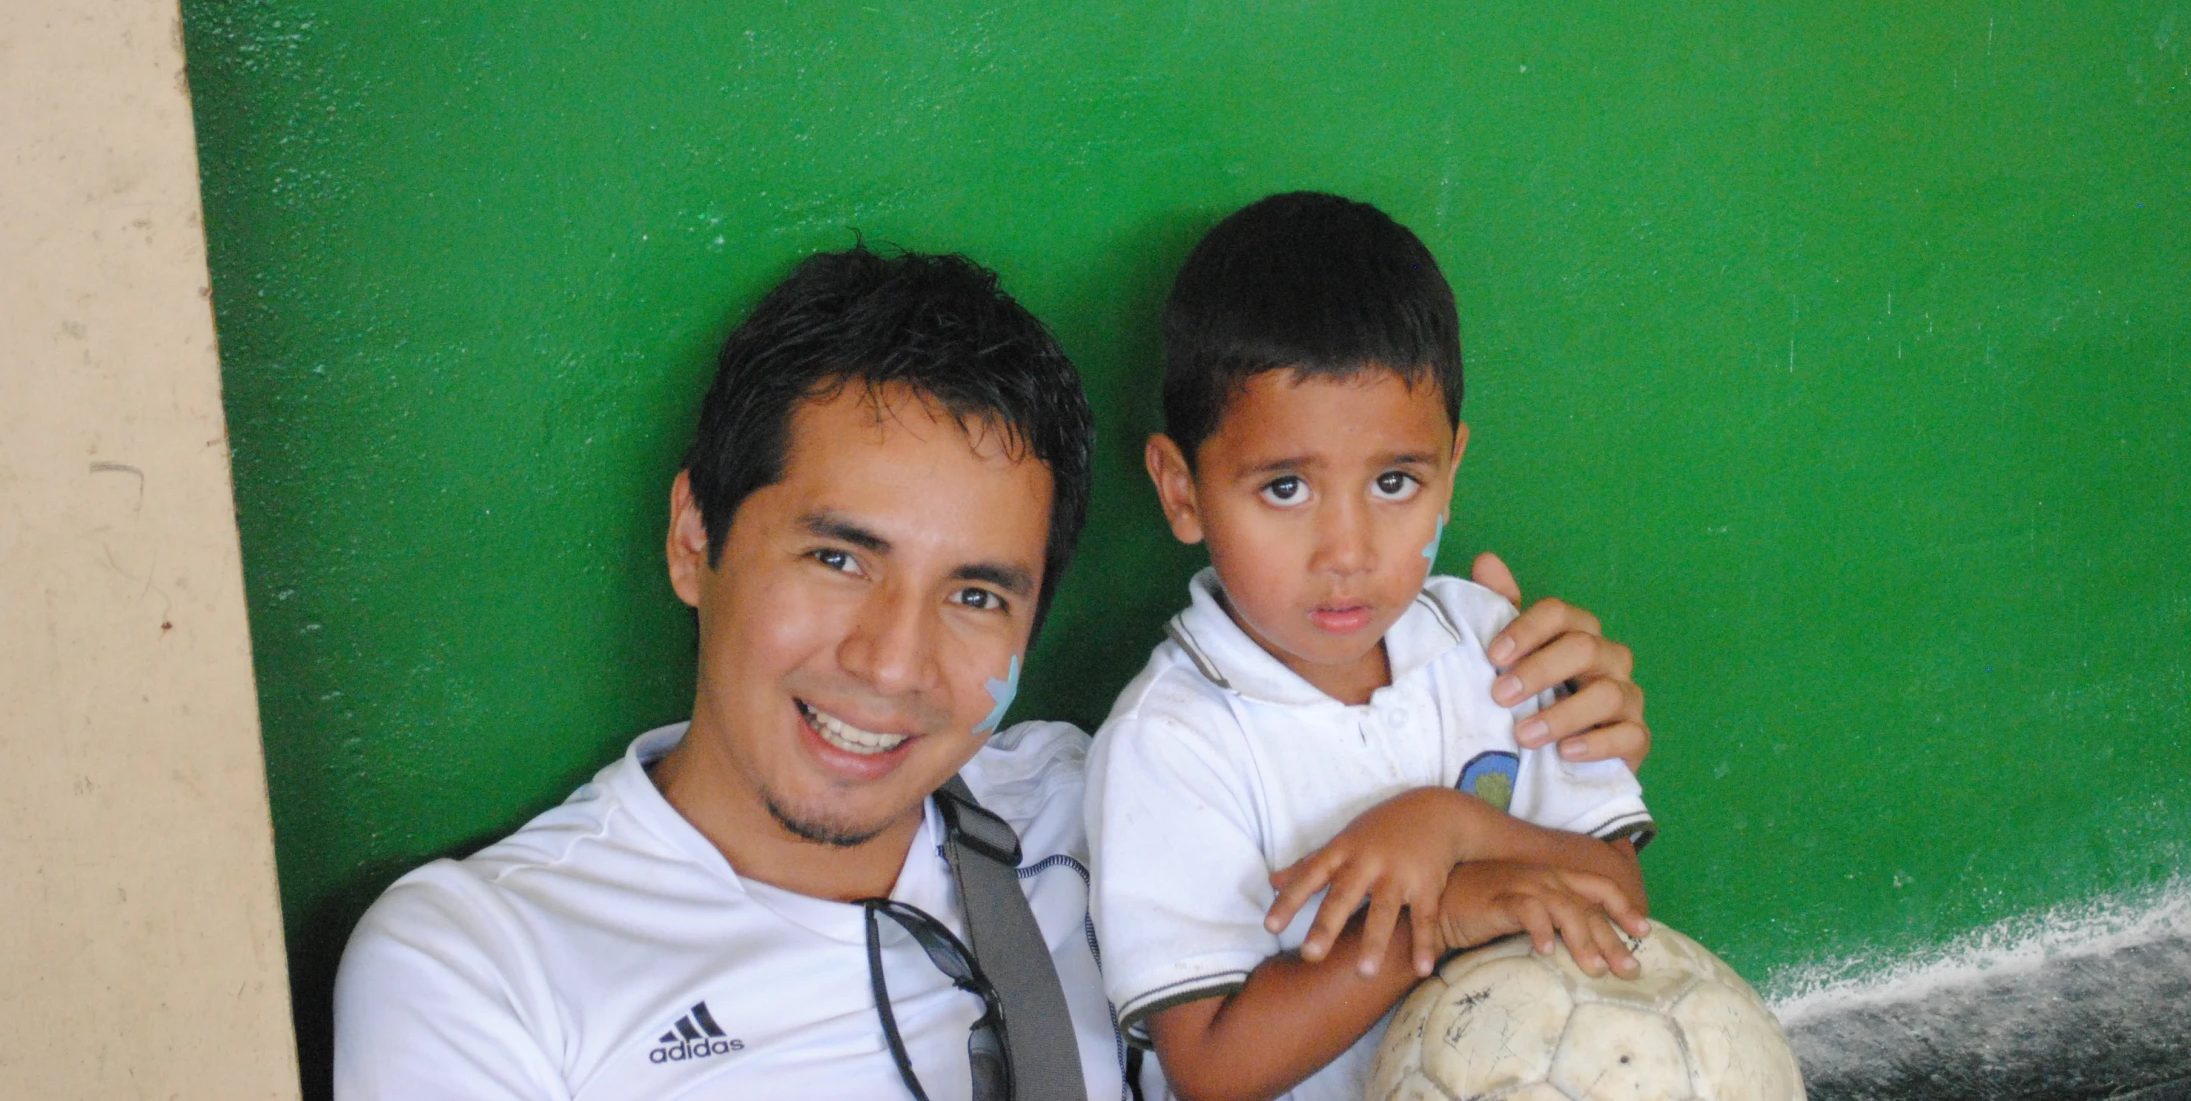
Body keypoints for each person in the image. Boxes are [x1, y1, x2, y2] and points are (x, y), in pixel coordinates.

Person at [335, 243, 1653, 1100]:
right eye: (839, 559)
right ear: (696, 539)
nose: (893, 663)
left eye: (976, 593)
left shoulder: (1095, 796)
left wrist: (1537, 712)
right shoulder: (482, 957)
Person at [1086, 193, 1656, 1101]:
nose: (1346, 552)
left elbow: (1621, 897)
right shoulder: (1172, 740)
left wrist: (1454, 826)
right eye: (1283, 489)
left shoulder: (1490, 647)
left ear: (1450, 473)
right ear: (1182, 490)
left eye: (1394, 481)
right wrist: (1443, 911)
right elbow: (1212, 1066)